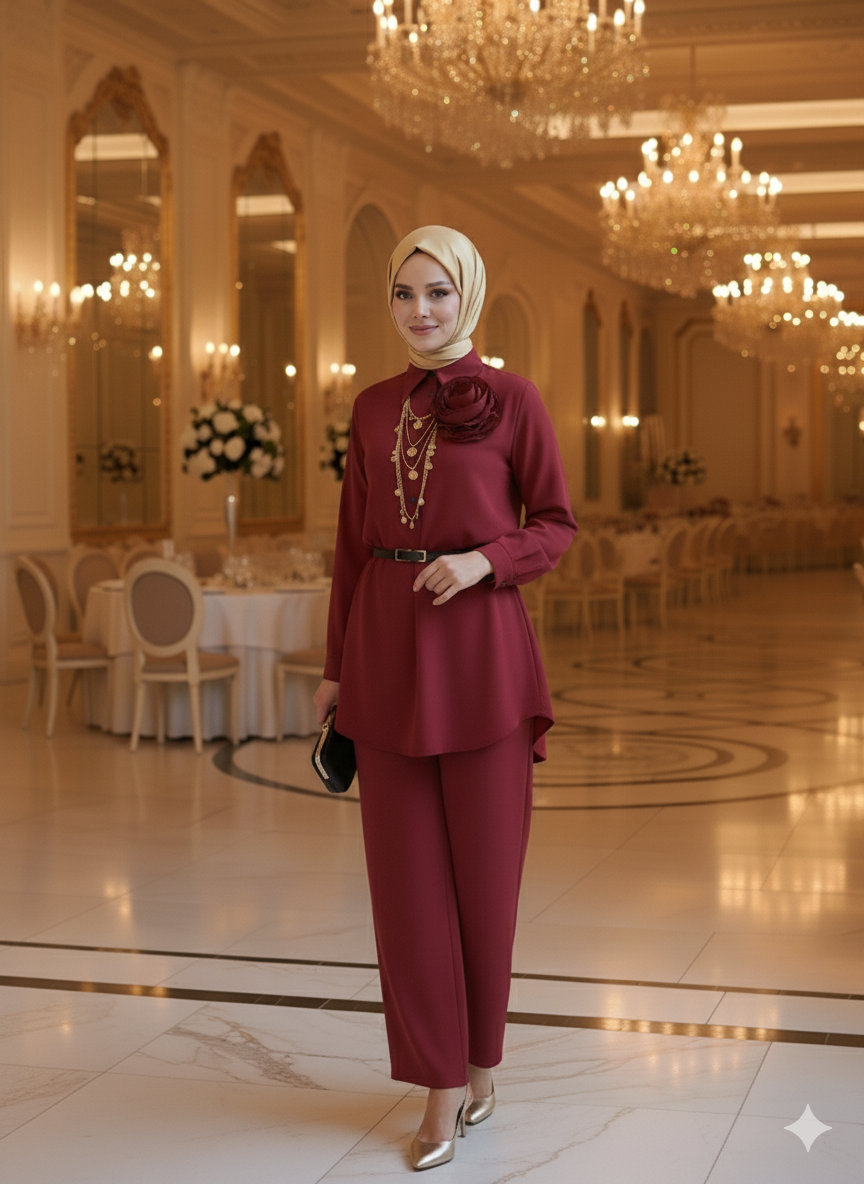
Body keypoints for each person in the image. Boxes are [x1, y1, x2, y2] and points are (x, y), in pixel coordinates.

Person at [314, 225, 577, 1171]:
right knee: (407, 891)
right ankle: (436, 1087)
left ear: (466, 293)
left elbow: (555, 525)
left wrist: (482, 560)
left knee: (485, 885)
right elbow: (351, 545)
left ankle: (481, 1065)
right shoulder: (373, 407)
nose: (419, 311)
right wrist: (337, 667)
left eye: (436, 292)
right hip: (385, 659)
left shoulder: (515, 400)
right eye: (403, 294)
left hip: (482, 662)